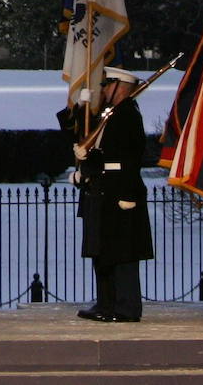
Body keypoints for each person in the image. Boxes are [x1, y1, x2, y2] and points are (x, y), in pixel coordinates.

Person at [62, 65, 153, 324]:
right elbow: (92, 144)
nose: (102, 89)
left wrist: (93, 165)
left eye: (106, 85)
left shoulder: (127, 116)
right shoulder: (109, 114)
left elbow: (127, 158)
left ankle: (125, 306)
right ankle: (106, 302)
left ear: (119, 87)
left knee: (121, 254)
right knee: (102, 253)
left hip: (118, 194)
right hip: (102, 192)